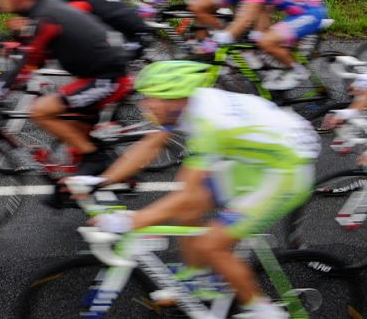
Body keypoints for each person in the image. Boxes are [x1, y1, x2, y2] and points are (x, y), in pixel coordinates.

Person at [90, 61, 319, 319]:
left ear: (175, 97)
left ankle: (264, 310)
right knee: (188, 214)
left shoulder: (209, 123)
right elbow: (150, 145)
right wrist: (100, 181)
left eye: (151, 97)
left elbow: (186, 194)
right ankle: (202, 282)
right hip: (256, 162)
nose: (144, 105)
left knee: (212, 244)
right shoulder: (183, 106)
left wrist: (129, 221)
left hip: (285, 173)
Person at [0, 0, 130, 185]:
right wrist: (21, 47)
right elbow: (41, 50)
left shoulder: (45, 17)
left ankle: (95, 158)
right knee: (71, 126)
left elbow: (24, 70)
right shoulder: (42, 7)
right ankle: (85, 181)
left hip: (107, 79)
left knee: (41, 111)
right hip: (95, 73)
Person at [201, 0, 328, 90]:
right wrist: (257, 32)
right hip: (302, 10)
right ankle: (279, 69)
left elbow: (247, 17)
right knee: (261, 39)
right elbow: (258, 8)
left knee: (266, 42)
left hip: (312, 13)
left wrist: (227, 35)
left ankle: (298, 72)